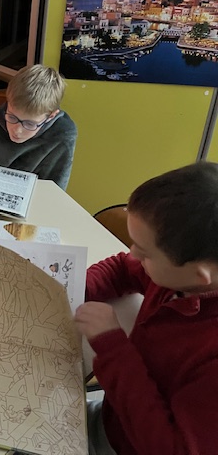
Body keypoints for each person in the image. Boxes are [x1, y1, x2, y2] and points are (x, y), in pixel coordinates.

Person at [75, 162, 218, 455]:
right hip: (110, 418)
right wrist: (72, 288)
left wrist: (112, 346)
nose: (132, 254)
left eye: (145, 252)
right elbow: (122, 268)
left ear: (199, 275)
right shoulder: (179, 273)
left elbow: (169, 448)